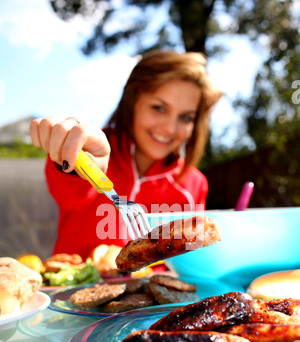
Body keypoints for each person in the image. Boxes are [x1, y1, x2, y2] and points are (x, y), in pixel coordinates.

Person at [30, 50, 222, 259]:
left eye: (185, 117)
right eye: (158, 108)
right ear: (132, 102)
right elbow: (69, 196)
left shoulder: (194, 184)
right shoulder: (92, 150)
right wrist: (74, 155)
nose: (169, 127)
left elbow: (188, 260)